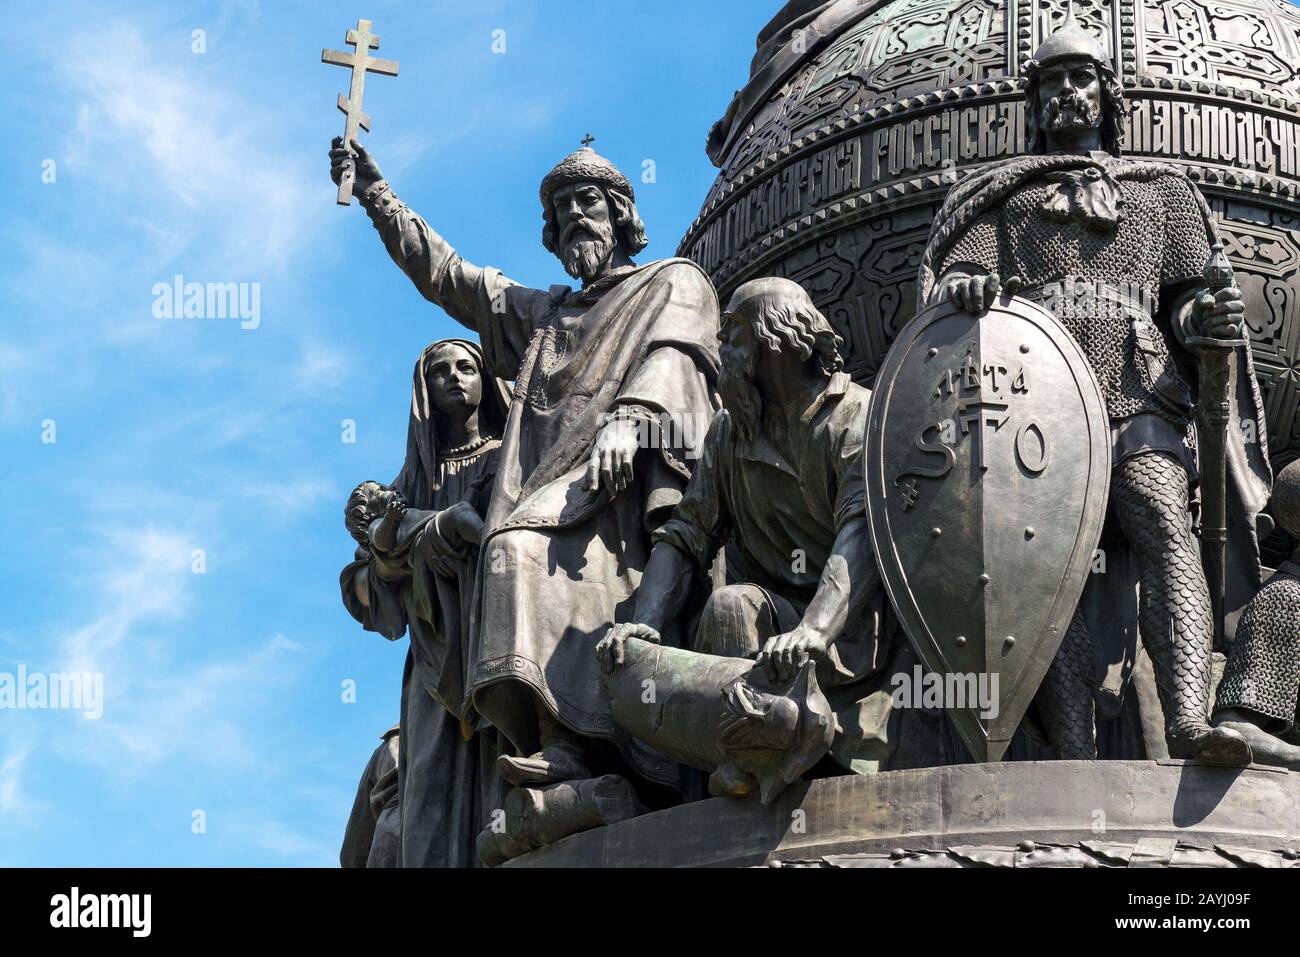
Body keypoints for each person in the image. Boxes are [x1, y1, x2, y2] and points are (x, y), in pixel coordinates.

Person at [915, 12, 1271, 762]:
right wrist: (968, 280)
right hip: (1040, 408)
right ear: (1037, 102)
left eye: (1081, 79)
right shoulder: (1007, 201)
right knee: (1056, 573)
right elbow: (954, 276)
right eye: (1052, 83)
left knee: (1163, 522)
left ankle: (1187, 719)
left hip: (1138, 395)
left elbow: (1182, 296)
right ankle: (1071, 748)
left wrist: (1204, 313)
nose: (1067, 94)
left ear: (1106, 94)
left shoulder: (1161, 192)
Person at [330, 137, 720, 792]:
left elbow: (678, 355)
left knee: (513, 544)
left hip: (632, 487)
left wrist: (630, 419)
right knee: (508, 546)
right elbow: (446, 274)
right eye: (562, 205)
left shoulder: (671, 281)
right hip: (559, 495)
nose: (575, 214)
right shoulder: (543, 315)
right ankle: (555, 745)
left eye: (587, 199)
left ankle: (583, 742)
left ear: (621, 210)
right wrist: (376, 191)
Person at [340, 338, 512, 866]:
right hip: (433, 658)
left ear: (486, 381)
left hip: (497, 638)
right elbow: (365, 579)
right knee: (428, 790)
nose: (455, 378)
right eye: (441, 372)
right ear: (425, 391)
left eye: (467, 368)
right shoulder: (408, 485)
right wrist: (418, 540)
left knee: (500, 772)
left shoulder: (511, 460)